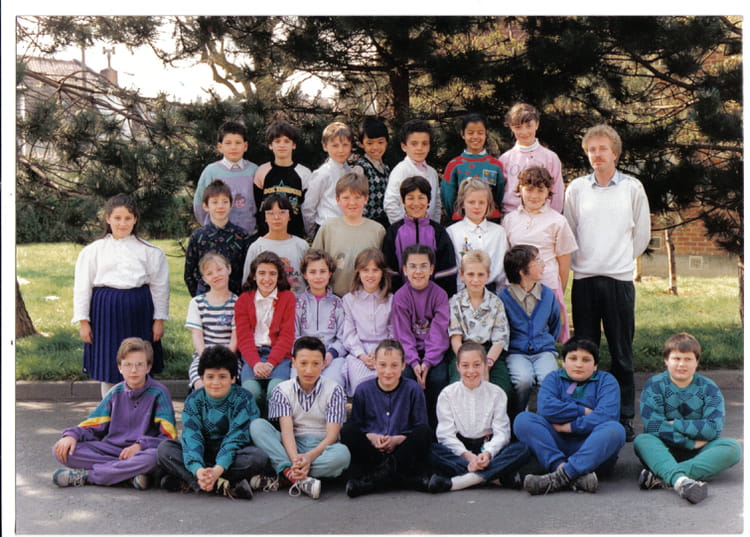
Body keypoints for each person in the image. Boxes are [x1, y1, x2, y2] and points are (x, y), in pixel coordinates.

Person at [563, 123, 651, 441]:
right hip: (585, 280)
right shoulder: (576, 189)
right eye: (591, 149)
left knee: (621, 352)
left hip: (618, 281)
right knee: (584, 353)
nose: (596, 154)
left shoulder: (632, 188)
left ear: (615, 153)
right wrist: (584, 263)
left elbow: (641, 234)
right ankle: (584, 413)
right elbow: (569, 231)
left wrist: (619, 260)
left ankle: (624, 416)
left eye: (602, 148)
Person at [72, 193, 169, 397]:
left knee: (139, 362)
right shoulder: (93, 251)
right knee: (108, 365)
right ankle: (110, 410)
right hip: (105, 313)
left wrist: (159, 320)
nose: (122, 223)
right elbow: (82, 287)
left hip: (139, 312)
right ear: (108, 218)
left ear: (135, 219)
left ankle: (141, 408)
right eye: (117, 218)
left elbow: (160, 287)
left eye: (127, 218)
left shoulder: (151, 252)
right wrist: (83, 321)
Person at [52, 338, 176, 490]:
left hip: (142, 453)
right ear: (120, 368)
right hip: (112, 450)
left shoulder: (159, 393)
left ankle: (87, 476)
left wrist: (140, 445)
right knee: (61, 449)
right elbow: (93, 425)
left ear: (148, 367)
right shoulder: (115, 393)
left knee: (154, 458)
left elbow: (168, 438)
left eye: (139, 364)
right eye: (128, 365)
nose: (134, 370)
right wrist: (71, 436)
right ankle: (128, 475)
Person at [634, 333, 742, 504]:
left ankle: (666, 477)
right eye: (676, 358)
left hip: (700, 451)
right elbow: (654, 426)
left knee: (733, 448)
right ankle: (679, 478)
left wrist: (676, 424)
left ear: (696, 362)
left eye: (688, 359)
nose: (681, 364)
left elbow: (713, 428)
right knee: (643, 440)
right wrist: (689, 443)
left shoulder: (709, 388)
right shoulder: (654, 385)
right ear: (666, 360)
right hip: (664, 448)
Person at [156, 345, 273, 500]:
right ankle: (219, 485)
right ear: (202, 378)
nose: (216, 382)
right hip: (202, 451)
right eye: (210, 377)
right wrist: (198, 469)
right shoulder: (194, 400)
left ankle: (193, 481)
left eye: (222, 376)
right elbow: (191, 436)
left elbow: (236, 438)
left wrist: (218, 469)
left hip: (233, 453)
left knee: (257, 457)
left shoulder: (243, 398)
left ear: (233, 378)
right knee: (165, 450)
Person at [513, 337, 626, 495]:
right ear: (564, 363)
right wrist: (583, 411)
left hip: (592, 449)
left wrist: (570, 426)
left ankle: (558, 477)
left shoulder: (607, 381)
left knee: (615, 430)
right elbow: (546, 409)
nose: (579, 364)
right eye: (573, 358)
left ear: (595, 366)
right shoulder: (553, 378)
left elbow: (606, 416)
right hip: (556, 445)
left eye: (586, 360)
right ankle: (566, 472)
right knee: (523, 420)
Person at [250, 336, 351, 499]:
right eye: (303, 363)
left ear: (323, 364)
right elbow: (287, 431)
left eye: (315, 364)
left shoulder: (335, 390)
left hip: (321, 448)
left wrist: (309, 458)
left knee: (342, 455)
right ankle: (296, 476)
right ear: (294, 362)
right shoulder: (282, 390)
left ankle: (285, 474)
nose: (309, 370)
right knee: (257, 426)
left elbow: (332, 436)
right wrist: (295, 459)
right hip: (291, 444)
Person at [426, 342, 531, 493]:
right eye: (465, 365)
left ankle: (460, 482)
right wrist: (469, 457)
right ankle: (495, 476)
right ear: (458, 367)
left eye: (477, 365)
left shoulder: (497, 393)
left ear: (484, 366)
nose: (471, 371)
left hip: (487, 446)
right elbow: (445, 434)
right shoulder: (447, 394)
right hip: (460, 451)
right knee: (431, 450)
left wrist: (487, 454)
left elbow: (502, 433)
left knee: (522, 449)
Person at [342, 339, 433, 497]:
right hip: (373, 451)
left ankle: (373, 481)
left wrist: (397, 439)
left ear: (403, 365)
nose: (388, 371)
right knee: (347, 431)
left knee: (425, 432)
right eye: (383, 365)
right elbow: (357, 426)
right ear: (375, 364)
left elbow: (420, 425)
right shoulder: (363, 390)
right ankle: (403, 479)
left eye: (394, 365)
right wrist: (371, 437)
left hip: (402, 451)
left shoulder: (413, 389)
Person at [503, 166, 577, 342]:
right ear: (520, 189)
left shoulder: (557, 221)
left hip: (547, 285)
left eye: (540, 190)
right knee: (519, 333)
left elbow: (564, 261)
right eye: (529, 190)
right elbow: (506, 256)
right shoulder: (510, 220)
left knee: (544, 333)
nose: (534, 196)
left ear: (548, 192)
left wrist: (559, 291)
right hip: (517, 287)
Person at [392, 244, 450, 430]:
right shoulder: (401, 297)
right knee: (406, 377)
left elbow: (439, 333)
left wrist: (428, 362)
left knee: (438, 379)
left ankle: (436, 430)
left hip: (434, 353)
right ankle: (409, 428)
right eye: (413, 266)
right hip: (409, 353)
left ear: (431, 269)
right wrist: (414, 362)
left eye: (424, 266)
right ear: (405, 270)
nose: (418, 271)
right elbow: (403, 334)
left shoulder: (439, 295)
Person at [498, 244, 561, 417]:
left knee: (549, 379)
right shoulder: (503, 298)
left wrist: (545, 343)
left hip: (543, 351)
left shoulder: (548, 295)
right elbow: (502, 330)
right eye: (537, 262)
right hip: (516, 352)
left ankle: (545, 419)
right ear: (522, 271)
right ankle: (519, 416)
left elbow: (555, 324)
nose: (543, 265)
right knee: (523, 380)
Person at [447, 250, 512, 402]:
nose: (475, 280)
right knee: (459, 387)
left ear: (488, 276)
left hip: (489, 352)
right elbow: (455, 338)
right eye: (470, 274)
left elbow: (499, 340)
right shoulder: (455, 302)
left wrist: (485, 365)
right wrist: (468, 363)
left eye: (480, 275)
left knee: (501, 388)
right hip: (463, 351)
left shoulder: (496, 303)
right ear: (462, 275)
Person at [235, 251, 296, 407]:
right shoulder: (243, 300)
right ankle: (256, 418)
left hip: (279, 356)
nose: (267, 279)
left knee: (276, 390)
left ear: (279, 276)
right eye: (262, 273)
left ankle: (274, 420)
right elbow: (244, 337)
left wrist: (270, 363)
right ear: (254, 276)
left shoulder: (288, 298)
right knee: (251, 391)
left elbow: (287, 336)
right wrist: (255, 363)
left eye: (272, 273)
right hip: (252, 354)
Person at [311, 172, 386, 296]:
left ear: (366, 199)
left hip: (366, 298)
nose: (352, 203)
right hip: (333, 297)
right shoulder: (328, 228)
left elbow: (382, 268)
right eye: (346, 198)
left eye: (357, 197)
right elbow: (313, 263)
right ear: (337, 199)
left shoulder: (377, 231)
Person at [382, 175, 457, 296]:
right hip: (402, 299)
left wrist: (439, 300)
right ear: (402, 201)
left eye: (421, 197)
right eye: (410, 198)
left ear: (428, 200)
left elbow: (447, 272)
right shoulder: (393, 232)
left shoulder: (438, 232)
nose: (416, 203)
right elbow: (390, 271)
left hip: (433, 300)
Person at [340, 248, 394, 397]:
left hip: (386, 351)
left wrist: (380, 354)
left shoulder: (391, 300)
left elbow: (393, 332)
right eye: (365, 270)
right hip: (359, 352)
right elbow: (349, 334)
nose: (370, 275)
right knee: (360, 383)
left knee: (385, 380)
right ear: (358, 272)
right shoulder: (349, 300)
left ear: (382, 273)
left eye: (375, 270)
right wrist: (362, 356)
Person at [184, 180, 252, 297]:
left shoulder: (242, 236)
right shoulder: (198, 236)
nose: (220, 206)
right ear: (205, 206)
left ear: (231, 204)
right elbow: (189, 273)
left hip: (235, 297)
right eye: (215, 202)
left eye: (225, 202)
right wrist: (198, 298)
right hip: (205, 297)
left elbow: (247, 272)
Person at [185, 252, 240, 391]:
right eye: (209, 273)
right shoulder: (197, 303)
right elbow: (197, 336)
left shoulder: (238, 303)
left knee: (228, 383)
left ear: (229, 269)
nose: (216, 275)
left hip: (229, 356)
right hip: (204, 356)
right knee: (201, 383)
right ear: (204, 278)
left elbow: (235, 337)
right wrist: (206, 359)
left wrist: (225, 359)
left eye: (220, 269)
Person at [193, 119, 258, 235]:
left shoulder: (254, 170)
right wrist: (210, 228)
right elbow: (199, 204)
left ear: (245, 146)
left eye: (238, 143)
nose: (233, 147)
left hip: (249, 234)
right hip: (218, 235)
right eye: (228, 143)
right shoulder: (211, 171)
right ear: (220, 146)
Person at [499, 103, 564, 215]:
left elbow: (557, 192)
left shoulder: (550, 158)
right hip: (512, 218)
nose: (524, 132)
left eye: (529, 126)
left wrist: (552, 218)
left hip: (544, 218)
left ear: (537, 124)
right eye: (518, 127)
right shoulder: (505, 159)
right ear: (511, 127)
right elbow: (499, 193)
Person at [446, 178, 508, 293]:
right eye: (471, 202)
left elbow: (502, 271)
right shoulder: (452, 232)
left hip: (494, 292)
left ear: (488, 204)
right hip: (464, 292)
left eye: (482, 202)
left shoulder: (499, 232)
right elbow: (454, 269)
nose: (477, 206)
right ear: (462, 203)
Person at [294, 249, 346, 386]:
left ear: (330, 273)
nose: (318, 276)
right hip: (303, 356)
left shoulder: (338, 303)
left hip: (331, 357)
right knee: (299, 383)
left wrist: (330, 354)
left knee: (333, 383)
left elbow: (343, 337)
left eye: (322, 271)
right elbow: (293, 335)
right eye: (312, 272)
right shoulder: (298, 303)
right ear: (305, 275)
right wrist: (306, 355)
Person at [253, 120, 312, 239]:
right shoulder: (262, 171)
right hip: (267, 235)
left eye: (286, 141)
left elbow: (307, 207)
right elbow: (257, 203)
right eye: (277, 141)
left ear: (294, 145)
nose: (282, 145)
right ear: (270, 145)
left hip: (294, 235)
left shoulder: (304, 173)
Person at [441, 112, 504, 223]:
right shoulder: (454, 165)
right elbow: (448, 197)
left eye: (480, 133)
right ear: (463, 134)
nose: (475, 137)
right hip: (462, 222)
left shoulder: (495, 165)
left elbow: (499, 195)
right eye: (470, 133)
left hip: (490, 222)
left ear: (486, 134)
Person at [242, 193, 309, 294]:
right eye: (271, 213)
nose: (276, 217)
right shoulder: (256, 247)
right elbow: (248, 285)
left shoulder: (301, 246)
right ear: (265, 217)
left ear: (289, 216)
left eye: (282, 212)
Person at [383, 119, 442, 224]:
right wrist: (403, 228)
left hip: (428, 229)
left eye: (424, 144)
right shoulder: (400, 171)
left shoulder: (432, 173)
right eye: (414, 144)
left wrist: (434, 228)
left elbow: (436, 204)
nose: (420, 148)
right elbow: (390, 203)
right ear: (404, 147)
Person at [301, 121, 353, 238]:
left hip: (347, 228)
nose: (341, 150)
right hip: (327, 228)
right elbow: (309, 207)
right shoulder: (322, 174)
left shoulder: (350, 171)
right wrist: (313, 234)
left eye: (345, 145)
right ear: (325, 146)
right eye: (335, 145)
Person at [351, 117, 391, 229]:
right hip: (365, 225)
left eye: (380, 142)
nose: (376, 147)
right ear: (361, 144)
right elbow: (354, 201)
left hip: (384, 224)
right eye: (370, 143)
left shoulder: (386, 168)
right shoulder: (361, 169)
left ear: (386, 142)